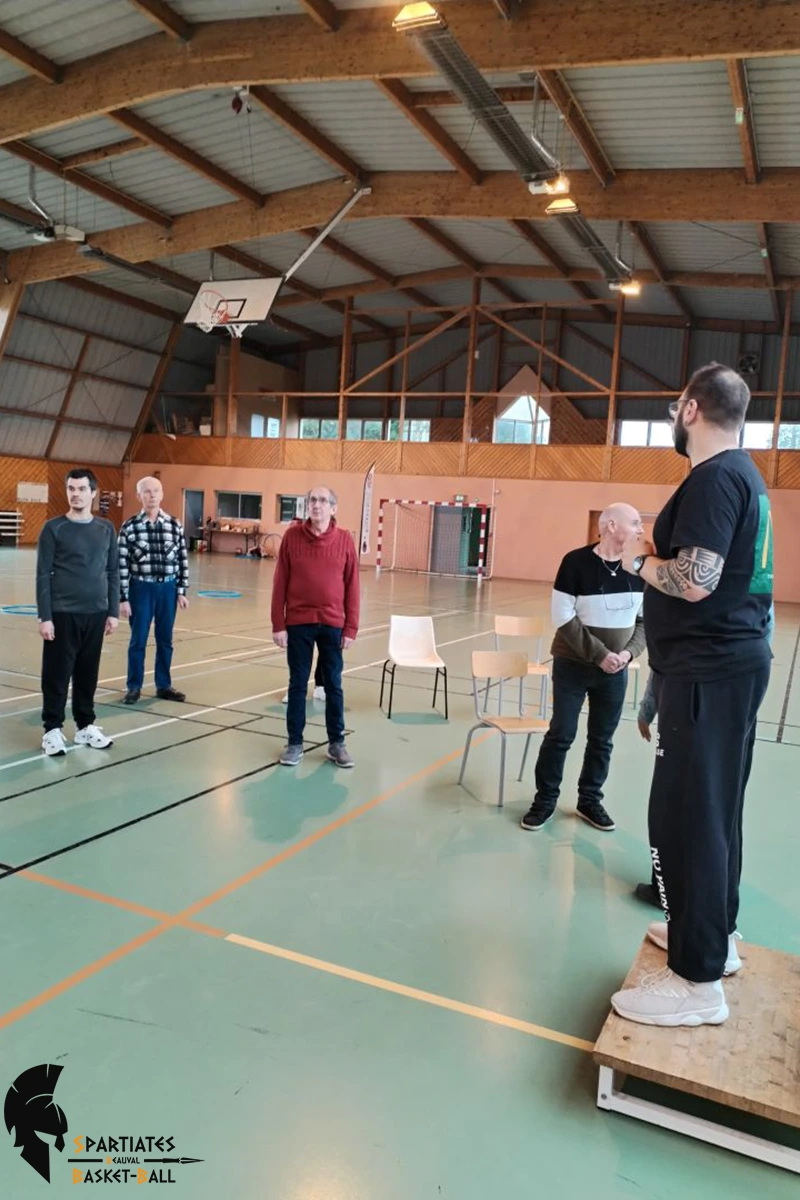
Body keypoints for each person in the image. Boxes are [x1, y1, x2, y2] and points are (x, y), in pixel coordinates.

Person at [612, 362, 773, 1027]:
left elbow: (697, 579)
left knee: (689, 819)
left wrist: (635, 560)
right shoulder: (742, 475)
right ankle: (715, 938)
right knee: (715, 813)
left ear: (689, 410)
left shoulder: (713, 478)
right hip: (721, 669)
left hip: (710, 674)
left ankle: (697, 979)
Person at [633, 603, 775, 908]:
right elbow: (765, 629)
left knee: (684, 805)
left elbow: (666, 646)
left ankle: (678, 899)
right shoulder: (751, 588)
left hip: (698, 689)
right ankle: (716, 913)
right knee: (719, 807)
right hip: (732, 688)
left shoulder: (694, 582)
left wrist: (649, 705)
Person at [519, 503, 646, 833]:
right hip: (572, 666)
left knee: (602, 739)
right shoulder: (575, 562)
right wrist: (600, 654)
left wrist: (628, 654)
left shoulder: (640, 568)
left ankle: (589, 800)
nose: (641, 529)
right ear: (611, 525)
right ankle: (545, 800)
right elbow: (563, 617)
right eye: (635, 523)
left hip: (616, 671)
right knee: (561, 733)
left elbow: (645, 622)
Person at [271, 485, 359, 768]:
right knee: (297, 684)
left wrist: (351, 628)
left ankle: (337, 744)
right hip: (298, 623)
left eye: (323, 501)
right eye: (312, 500)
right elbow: (280, 582)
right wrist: (278, 624)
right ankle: (294, 743)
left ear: (333, 508)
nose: (316, 505)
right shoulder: (292, 537)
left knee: (333, 684)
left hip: (333, 625)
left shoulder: (345, 540)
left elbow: (352, 586)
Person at [35, 468, 119, 757]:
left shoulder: (106, 529)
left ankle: (85, 726)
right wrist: (45, 616)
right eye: (71, 488)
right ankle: (52, 730)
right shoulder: (53, 528)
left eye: (82, 489)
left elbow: (113, 571)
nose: (75, 494)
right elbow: (43, 574)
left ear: (93, 493)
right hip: (62, 613)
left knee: (87, 674)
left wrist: (112, 611)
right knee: (56, 675)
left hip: (96, 614)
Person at [118, 476, 189, 704]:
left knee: (165, 640)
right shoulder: (129, 527)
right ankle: (134, 687)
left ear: (162, 494)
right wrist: (123, 598)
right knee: (138, 640)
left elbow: (182, 559)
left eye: (156, 490)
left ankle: (163, 685)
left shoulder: (174, 525)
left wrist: (181, 591)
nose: (152, 495)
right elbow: (121, 565)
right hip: (140, 589)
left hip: (168, 589)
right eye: (147, 491)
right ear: (139, 496)